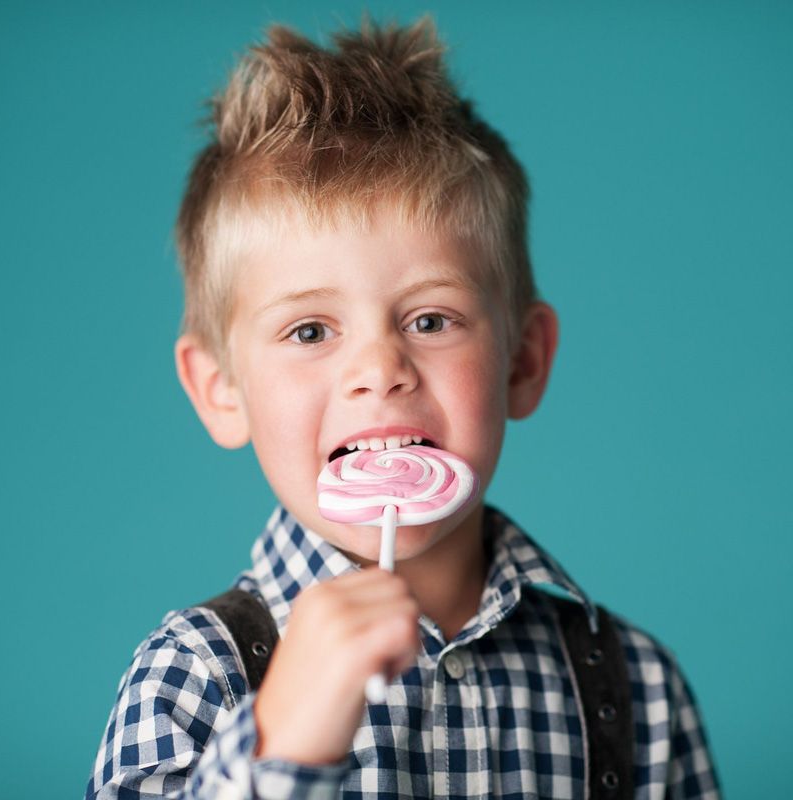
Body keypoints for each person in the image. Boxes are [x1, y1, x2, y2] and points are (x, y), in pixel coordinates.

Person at [86, 16, 721, 799]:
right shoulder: (195, 675)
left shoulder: (638, 691)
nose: (380, 370)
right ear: (221, 388)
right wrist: (280, 744)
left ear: (523, 361)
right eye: (310, 329)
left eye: (430, 320)